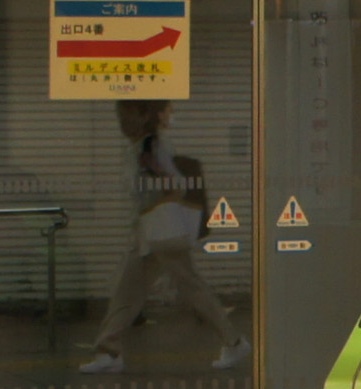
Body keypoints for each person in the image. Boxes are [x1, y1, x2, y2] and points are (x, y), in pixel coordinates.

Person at [79, 99, 247, 374]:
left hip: (160, 231)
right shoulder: (142, 146)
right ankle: (108, 350)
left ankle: (234, 341)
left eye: (126, 115)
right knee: (127, 291)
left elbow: (175, 184)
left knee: (189, 286)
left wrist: (160, 199)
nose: (121, 122)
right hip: (150, 231)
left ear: (144, 116)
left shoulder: (151, 147)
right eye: (169, 110)